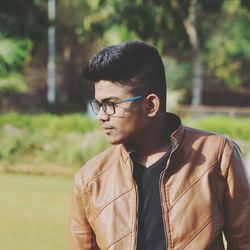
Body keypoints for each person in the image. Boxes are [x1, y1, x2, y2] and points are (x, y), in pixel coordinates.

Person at [68, 41, 250, 250]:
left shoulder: (218, 155)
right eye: (99, 105)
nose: (101, 116)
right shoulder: (89, 179)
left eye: (111, 105)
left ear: (150, 105)